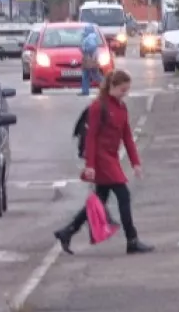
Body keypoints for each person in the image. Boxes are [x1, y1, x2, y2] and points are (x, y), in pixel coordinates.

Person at [54, 68, 153, 255]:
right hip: (101, 159)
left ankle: (67, 231)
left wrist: (135, 162)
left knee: (100, 199)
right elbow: (91, 137)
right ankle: (132, 239)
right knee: (123, 196)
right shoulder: (98, 107)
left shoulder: (121, 108)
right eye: (123, 90)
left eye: (127, 90)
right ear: (112, 87)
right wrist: (90, 165)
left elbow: (127, 137)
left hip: (111, 157)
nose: (125, 94)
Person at [78, 22, 103, 96]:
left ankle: (107, 86)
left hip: (90, 59)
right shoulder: (92, 36)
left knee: (94, 75)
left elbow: (92, 47)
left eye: (85, 29)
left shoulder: (90, 37)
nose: (84, 31)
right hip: (91, 59)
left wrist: (84, 49)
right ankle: (85, 91)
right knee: (88, 75)